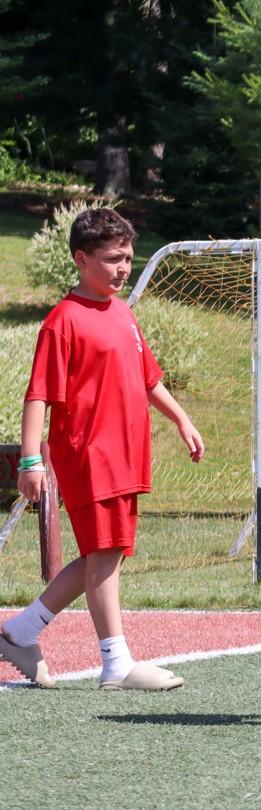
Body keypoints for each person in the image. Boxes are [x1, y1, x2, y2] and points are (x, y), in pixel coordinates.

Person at [0, 208, 204, 692]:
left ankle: (19, 632)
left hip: (126, 457)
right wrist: (30, 461)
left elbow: (148, 379)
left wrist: (181, 419)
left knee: (105, 554)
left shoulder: (123, 313)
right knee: (105, 552)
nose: (122, 268)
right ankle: (116, 662)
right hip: (90, 456)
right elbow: (38, 395)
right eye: (112, 259)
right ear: (81, 259)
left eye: (128, 258)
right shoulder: (63, 321)